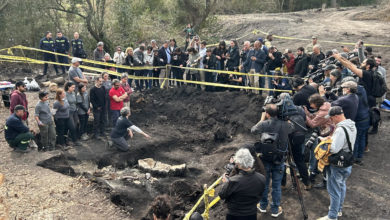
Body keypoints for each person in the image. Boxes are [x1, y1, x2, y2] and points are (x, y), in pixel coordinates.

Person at [251, 104, 294, 217]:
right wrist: (286, 119)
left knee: (264, 183)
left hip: (265, 159)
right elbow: (292, 128)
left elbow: (253, 130)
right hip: (279, 159)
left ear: (267, 114)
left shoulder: (264, 124)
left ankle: (263, 205)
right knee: (276, 185)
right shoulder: (285, 125)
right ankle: (275, 209)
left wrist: (262, 119)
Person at [317, 106, 356, 220]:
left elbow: (334, 149)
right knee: (341, 185)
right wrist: (332, 138)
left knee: (333, 190)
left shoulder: (340, 130)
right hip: (347, 161)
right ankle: (338, 209)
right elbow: (345, 141)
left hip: (337, 164)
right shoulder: (352, 125)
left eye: (332, 118)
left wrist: (325, 141)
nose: (330, 120)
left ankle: (332, 216)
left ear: (337, 116)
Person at [218, 148, 266, 220]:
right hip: (252, 214)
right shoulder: (262, 178)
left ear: (239, 164)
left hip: (234, 215)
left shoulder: (233, 181)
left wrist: (226, 183)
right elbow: (260, 194)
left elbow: (222, 195)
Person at [304, 94, 333, 185]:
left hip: (327, 133)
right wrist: (307, 112)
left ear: (316, 103)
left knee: (323, 155)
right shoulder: (326, 106)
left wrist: (305, 116)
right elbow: (316, 117)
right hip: (330, 129)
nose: (310, 106)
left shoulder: (323, 113)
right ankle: (316, 171)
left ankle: (324, 180)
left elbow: (313, 124)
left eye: (311, 104)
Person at [341, 77, 369, 165]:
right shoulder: (362, 89)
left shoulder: (353, 95)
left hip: (359, 119)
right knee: (362, 137)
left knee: (356, 139)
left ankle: (353, 158)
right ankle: (359, 157)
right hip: (366, 117)